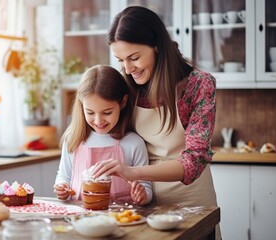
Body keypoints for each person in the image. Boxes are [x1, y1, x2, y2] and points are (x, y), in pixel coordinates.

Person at [91, 6, 220, 237]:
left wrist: (133, 172)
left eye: (135, 58)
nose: (128, 69)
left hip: (191, 201)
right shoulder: (128, 86)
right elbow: (104, 124)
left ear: (157, 46)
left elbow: (195, 160)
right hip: (142, 200)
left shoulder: (199, 85)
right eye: (121, 60)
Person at [54, 65, 152, 206]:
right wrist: (62, 187)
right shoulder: (73, 139)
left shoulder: (133, 143)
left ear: (123, 102)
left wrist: (143, 195)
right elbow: (64, 175)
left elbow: (146, 186)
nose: (98, 121)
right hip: (81, 220)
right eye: (90, 112)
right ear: (82, 106)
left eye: (107, 113)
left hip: (122, 221)